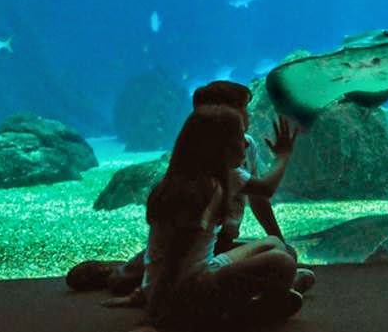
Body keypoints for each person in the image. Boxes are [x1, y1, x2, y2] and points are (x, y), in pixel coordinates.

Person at [68, 81, 315, 299]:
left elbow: (259, 199)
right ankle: (117, 271)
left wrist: (281, 243)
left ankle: (145, 276)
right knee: (123, 281)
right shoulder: (210, 165)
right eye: (243, 108)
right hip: (196, 251)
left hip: (216, 244)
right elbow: (264, 189)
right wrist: (283, 156)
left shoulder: (244, 145)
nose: (248, 115)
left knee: (282, 254)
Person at [141, 105, 302, 329]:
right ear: (219, 147)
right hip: (183, 290)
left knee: (274, 243)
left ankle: (268, 296)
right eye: (239, 137)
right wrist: (155, 315)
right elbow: (175, 257)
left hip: (201, 270)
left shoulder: (207, 180)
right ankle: (244, 314)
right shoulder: (201, 192)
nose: (246, 143)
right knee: (281, 262)